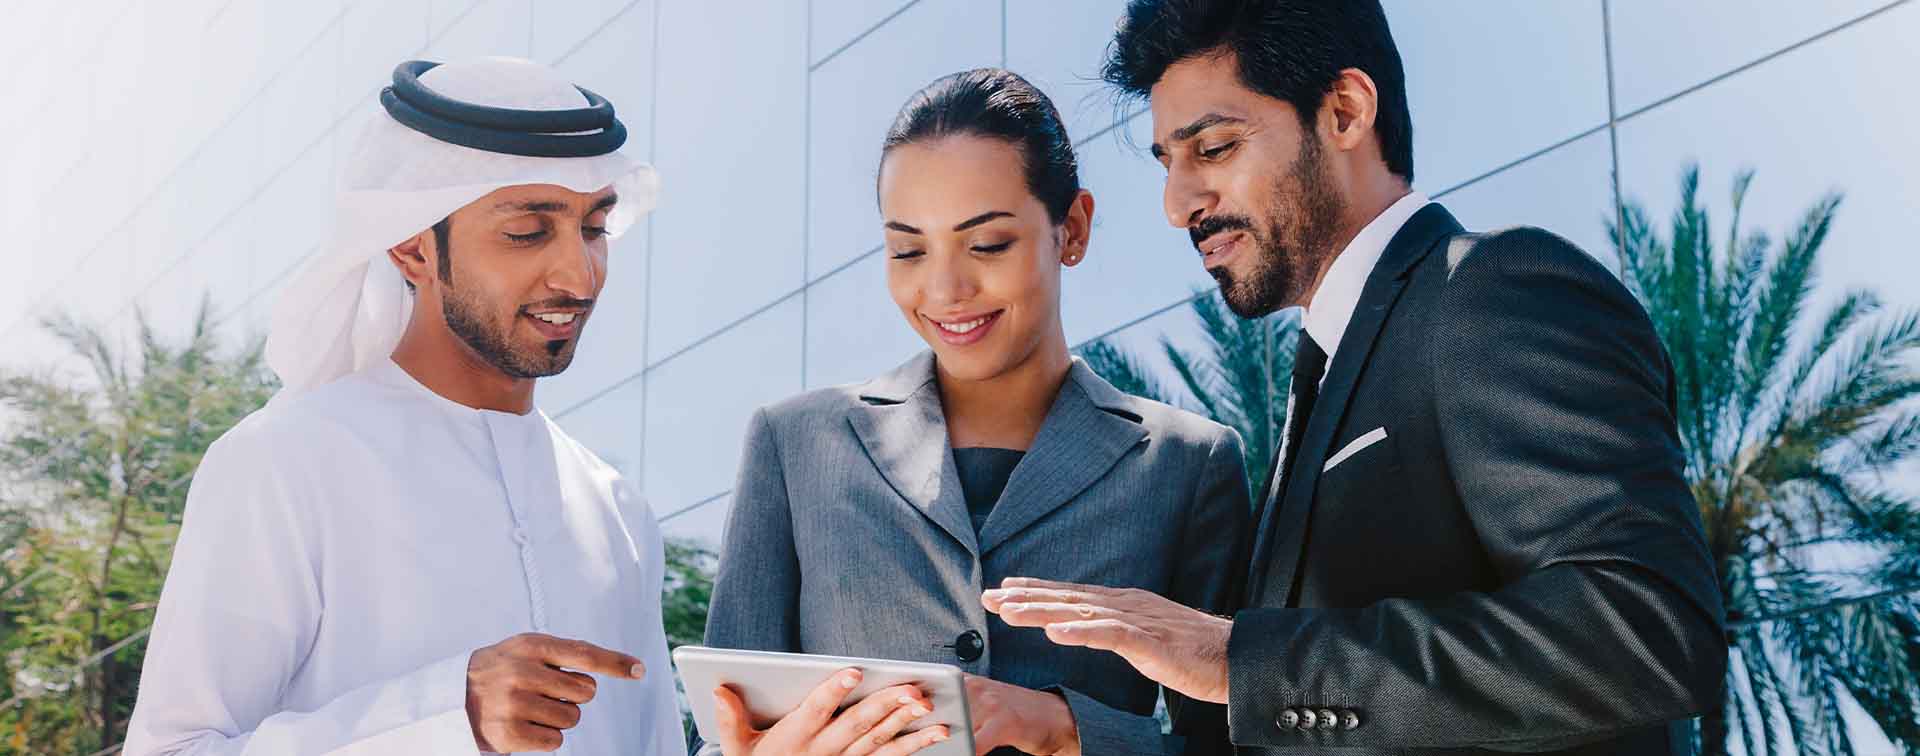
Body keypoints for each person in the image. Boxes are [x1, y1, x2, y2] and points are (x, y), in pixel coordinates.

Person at [985, 3, 1729, 755]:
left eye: (1212, 148)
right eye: (1169, 165)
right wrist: (1063, 732)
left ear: (1344, 111)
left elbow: (1644, 628)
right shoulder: (1323, 384)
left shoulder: (1490, 291)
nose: (1179, 205)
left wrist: (1240, 661)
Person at [124, 57, 684, 755]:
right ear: (412, 248)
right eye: (526, 233)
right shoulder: (287, 461)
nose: (579, 275)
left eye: (595, 229)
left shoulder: (617, 508)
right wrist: (444, 716)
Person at [696, 68, 1250, 756]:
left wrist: (1066, 729)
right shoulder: (796, 443)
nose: (945, 289)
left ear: (1070, 229)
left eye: (987, 244)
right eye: (907, 249)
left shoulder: (1188, 463)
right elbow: (725, 733)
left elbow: (1230, 741)